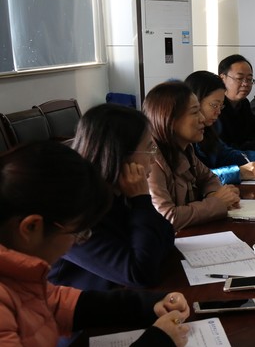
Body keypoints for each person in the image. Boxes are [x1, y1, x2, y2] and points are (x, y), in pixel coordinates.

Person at [0, 141, 189, 347]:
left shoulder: (18, 269)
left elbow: (55, 301)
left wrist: (149, 304)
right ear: (31, 227)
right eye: (78, 233)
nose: (76, 244)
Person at [48, 104, 175, 291]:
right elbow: (140, 274)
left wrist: (140, 201)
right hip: (79, 305)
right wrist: (141, 200)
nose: (153, 159)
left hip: (117, 296)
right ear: (119, 156)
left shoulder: (117, 192)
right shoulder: (73, 210)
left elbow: (167, 236)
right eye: (149, 149)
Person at [143, 81, 240, 231]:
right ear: (170, 118)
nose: (202, 118)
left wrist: (215, 194)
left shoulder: (185, 148)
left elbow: (208, 178)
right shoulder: (151, 160)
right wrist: (217, 202)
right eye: (195, 112)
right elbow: (166, 217)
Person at [185, 70, 255, 185]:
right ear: (195, 102)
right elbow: (195, 178)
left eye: (221, 106)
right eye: (214, 105)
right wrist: (238, 172)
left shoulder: (208, 129)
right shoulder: (182, 137)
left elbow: (226, 154)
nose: (218, 112)